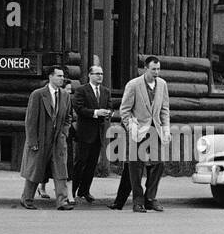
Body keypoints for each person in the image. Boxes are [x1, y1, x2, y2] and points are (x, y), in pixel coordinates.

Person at [112, 54, 170, 213]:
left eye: (158, 69)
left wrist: (166, 129)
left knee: (159, 164)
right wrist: (131, 127)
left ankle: (150, 198)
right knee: (136, 167)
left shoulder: (162, 84)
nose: (156, 72)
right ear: (145, 69)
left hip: (155, 131)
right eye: (153, 69)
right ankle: (138, 201)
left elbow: (164, 109)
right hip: (138, 131)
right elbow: (124, 110)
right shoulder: (134, 85)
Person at [19, 64, 73, 210]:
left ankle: (62, 201)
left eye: (63, 76)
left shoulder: (65, 96)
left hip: (57, 139)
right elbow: (30, 120)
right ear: (50, 76)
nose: (62, 78)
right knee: (35, 170)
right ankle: (27, 199)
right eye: (59, 76)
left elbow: (68, 117)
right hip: (41, 138)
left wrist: (63, 133)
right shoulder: (38, 94)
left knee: (60, 170)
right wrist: (32, 141)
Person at [72, 63, 112, 204]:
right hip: (85, 133)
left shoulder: (105, 91)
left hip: (98, 134)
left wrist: (107, 113)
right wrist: (95, 112)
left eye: (101, 74)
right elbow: (79, 108)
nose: (100, 76)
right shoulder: (82, 90)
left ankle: (85, 190)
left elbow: (109, 106)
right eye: (97, 74)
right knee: (80, 163)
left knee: (91, 165)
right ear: (90, 75)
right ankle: (73, 191)